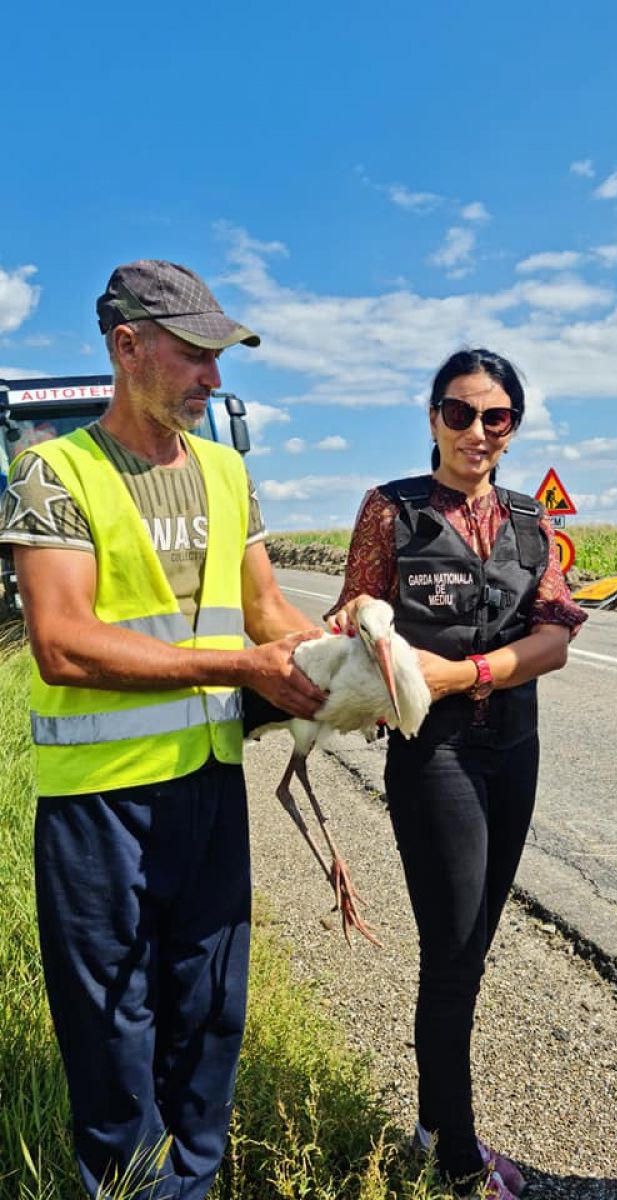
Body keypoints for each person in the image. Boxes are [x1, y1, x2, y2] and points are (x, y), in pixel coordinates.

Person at [0, 259, 326, 1199]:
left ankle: (192, 1182)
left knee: (210, 1013)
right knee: (115, 1030)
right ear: (127, 346)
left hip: (209, 790)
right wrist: (242, 670)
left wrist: (345, 660)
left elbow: (265, 612)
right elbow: (62, 644)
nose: (212, 378)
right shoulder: (52, 473)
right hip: (98, 806)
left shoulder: (226, 471)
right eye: (194, 356)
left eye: (219, 359)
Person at [329, 348, 585, 1198]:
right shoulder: (392, 510)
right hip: (432, 753)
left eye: (496, 417)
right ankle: (455, 1156)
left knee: (474, 947)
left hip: (513, 748)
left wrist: (467, 673)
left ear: (514, 426)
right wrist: (366, 645)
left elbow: (554, 637)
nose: (478, 431)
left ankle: (435, 1125)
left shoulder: (530, 520)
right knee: (451, 952)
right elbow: (353, 608)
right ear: (434, 417)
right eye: (460, 413)